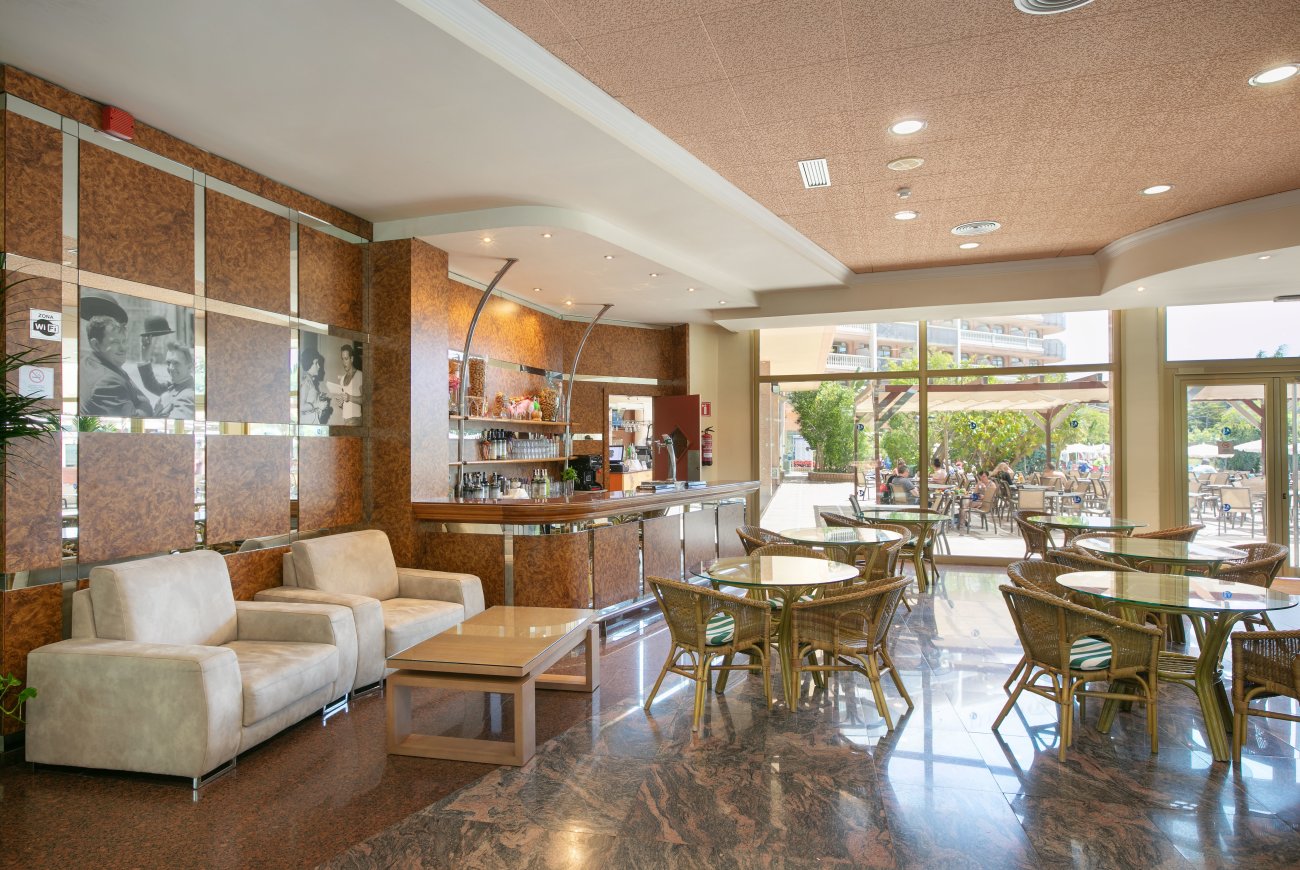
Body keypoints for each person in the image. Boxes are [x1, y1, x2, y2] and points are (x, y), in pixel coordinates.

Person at [80, 298, 153, 418]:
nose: (123, 348)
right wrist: (145, 402)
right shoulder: (108, 383)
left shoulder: (87, 362)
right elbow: (137, 422)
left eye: (124, 341)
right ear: (96, 344)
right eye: (115, 342)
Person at [152, 343, 194, 419]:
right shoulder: (176, 385)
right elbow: (152, 385)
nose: (170, 368)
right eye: (168, 363)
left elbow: (175, 425)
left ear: (189, 367)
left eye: (176, 363)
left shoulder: (188, 397)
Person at [332, 343, 363, 425]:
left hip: (356, 420)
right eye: (342, 359)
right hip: (345, 421)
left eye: (346, 359)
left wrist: (349, 397)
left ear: (351, 359)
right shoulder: (342, 379)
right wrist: (341, 404)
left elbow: (366, 400)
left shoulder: (360, 375)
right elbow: (346, 405)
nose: (344, 362)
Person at [300, 349, 331, 424]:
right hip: (308, 421)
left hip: (311, 420)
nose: (319, 366)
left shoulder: (309, 380)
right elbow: (301, 406)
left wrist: (318, 397)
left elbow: (309, 399)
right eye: (316, 363)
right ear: (309, 364)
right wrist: (318, 405)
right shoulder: (306, 381)